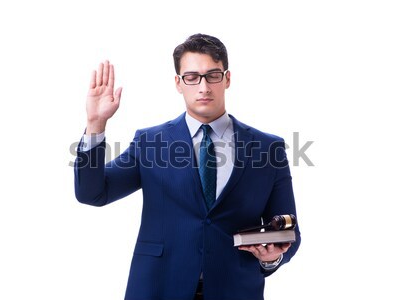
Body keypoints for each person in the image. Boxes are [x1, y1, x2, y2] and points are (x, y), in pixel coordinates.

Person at [74, 33, 300, 300]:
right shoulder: (150, 142)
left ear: (227, 78)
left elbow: (289, 230)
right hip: (158, 290)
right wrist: (95, 125)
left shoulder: (268, 148)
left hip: (236, 291)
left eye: (212, 75)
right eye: (192, 77)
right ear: (178, 84)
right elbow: (93, 193)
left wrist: (271, 259)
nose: (203, 87)